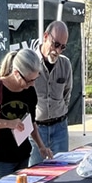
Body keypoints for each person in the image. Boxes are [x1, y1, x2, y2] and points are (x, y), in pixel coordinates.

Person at [0, 48, 53, 179]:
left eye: (35, 79)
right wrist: (9, 123)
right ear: (17, 73)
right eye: (29, 80)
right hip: (2, 159)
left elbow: (32, 122)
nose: (32, 84)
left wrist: (41, 147)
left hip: (23, 155)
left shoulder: (30, 91)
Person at [29, 20, 73, 167]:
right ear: (45, 36)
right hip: (36, 129)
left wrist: (59, 111)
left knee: (62, 171)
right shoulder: (30, 61)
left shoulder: (65, 64)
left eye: (63, 47)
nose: (58, 50)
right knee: (35, 174)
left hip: (59, 125)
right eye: (55, 44)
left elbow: (67, 93)